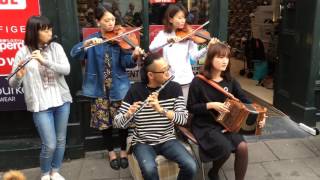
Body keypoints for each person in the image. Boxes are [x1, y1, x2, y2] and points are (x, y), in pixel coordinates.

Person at [70, 4, 144, 170]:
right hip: (99, 89)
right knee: (105, 124)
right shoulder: (93, 40)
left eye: (113, 19)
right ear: (98, 22)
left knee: (123, 122)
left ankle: (124, 151)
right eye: (107, 20)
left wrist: (133, 55)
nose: (111, 23)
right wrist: (86, 43)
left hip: (119, 88)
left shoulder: (120, 39)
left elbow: (127, 64)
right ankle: (111, 152)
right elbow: (74, 53)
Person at [187, 42, 266, 180]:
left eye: (227, 57)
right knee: (224, 149)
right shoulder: (198, 81)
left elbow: (245, 100)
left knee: (242, 147)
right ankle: (214, 171)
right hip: (205, 124)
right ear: (210, 58)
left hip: (227, 123)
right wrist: (210, 105)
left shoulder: (230, 81)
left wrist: (261, 116)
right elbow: (191, 107)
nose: (225, 61)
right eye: (220, 57)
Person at [114, 53, 197, 180]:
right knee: (149, 170)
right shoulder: (135, 90)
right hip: (143, 142)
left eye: (168, 68)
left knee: (191, 166)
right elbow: (117, 123)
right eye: (164, 71)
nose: (168, 73)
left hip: (168, 139)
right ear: (151, 75)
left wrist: (161, 110)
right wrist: (128, 114)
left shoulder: (174, 88)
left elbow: (183, 119)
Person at [9, 16, 72, 180]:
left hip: (61, 101)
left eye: (50, 29)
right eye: (45, 30)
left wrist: (45, 62)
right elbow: (12, 83)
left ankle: (55, 171)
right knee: (49, 144)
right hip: (40, 105)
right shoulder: (22, 52)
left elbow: (66, 70)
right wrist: (19, 76)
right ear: (34, 32)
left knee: (60, 140)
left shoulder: (56, 48)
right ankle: (45, 172)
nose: (49, 32)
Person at [149, 3, 217, 101]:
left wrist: (207, 48)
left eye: (184, 17)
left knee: (184, 109)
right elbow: (152, 48)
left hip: (186, 79)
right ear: (170, 19)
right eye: (179, 18)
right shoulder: (163, 34)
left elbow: (194, 57)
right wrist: (167, 41)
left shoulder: (188, 36)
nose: (183, 21)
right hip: (169, 79)